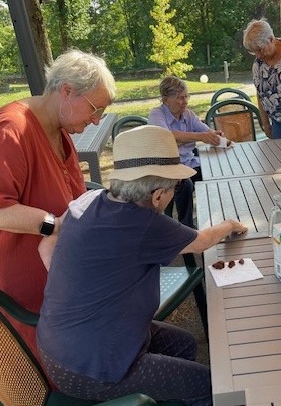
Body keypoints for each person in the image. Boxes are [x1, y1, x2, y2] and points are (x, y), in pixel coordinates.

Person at [36, 125, 247, 406]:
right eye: (176, 187)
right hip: (91, 368)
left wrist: (80, 291)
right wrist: (231, 224)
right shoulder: (144, 223)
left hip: (57, 346)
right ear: (158, 195)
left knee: (183, 343)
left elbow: (45, 245)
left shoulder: (89, 199)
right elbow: (201, 241)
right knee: (214, 387)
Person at [0, 49, 116, 362]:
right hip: (32, 302)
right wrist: (53, 224)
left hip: (67, 285)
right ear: (66, 91)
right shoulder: (13, 129)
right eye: (94, 109)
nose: (95, 121)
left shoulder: (59, 128)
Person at [148, 76, 223, 228]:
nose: (185, 102)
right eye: (180, 98)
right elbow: (167, 137)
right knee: (185, 183)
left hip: (188, 164)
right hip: (164, 169)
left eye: (186, 97)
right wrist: (200, 137)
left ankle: (211, 219)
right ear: (165, 99)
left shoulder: (188, 114)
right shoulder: (156, 114)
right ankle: (187, 227)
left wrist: (216, 136)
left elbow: (206, 132)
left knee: (214, 173)